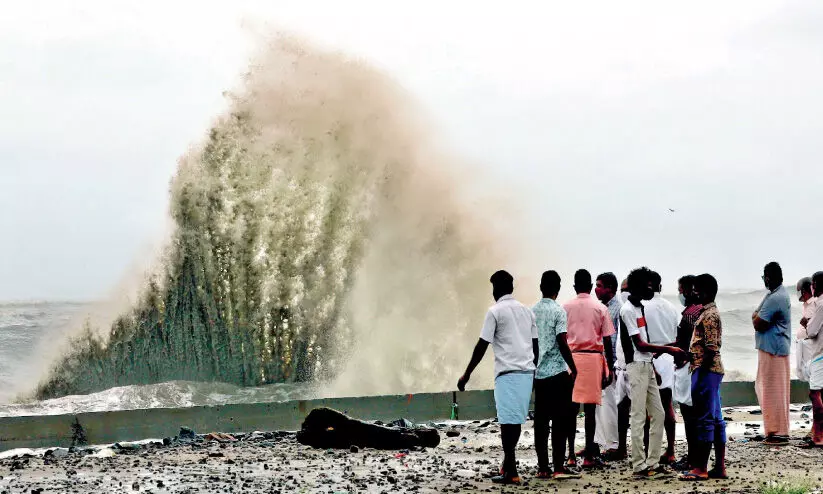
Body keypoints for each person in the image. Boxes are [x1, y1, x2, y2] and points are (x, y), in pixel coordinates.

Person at [457, 270, 538, 485]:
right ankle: (508, 464)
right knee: (517, 421)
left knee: (506, 422)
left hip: (507, 374)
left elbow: (482, 345)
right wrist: (533, 370)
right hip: (526, 373)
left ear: (496, 289)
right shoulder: (527, 312)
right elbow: (535, 345)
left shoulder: (495, 312)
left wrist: (466, 374)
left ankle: (510, 471)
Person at [619, 267, 687, 478]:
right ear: (639, 287)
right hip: (637, 367)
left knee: (657, 413)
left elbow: (645, 343)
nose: (652, 289)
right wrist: (669, 349)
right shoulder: (628, 311)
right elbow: (639, 344)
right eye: (648, 285)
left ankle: (653, 463)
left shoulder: (640, 308)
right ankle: (639, 466)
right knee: (639, 416)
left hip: (647, 365)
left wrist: (655, 365)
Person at [562, 269, 615, 469]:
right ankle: (588, 456)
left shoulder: (565, 307)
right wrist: (608, 368)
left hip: (572, 359)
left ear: (575, 286)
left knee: (571, 410)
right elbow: (608, 340)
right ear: (591, 286)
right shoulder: (600, 308)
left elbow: (561, 338)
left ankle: (570, 455)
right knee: (591, 410)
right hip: (593, 359)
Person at [532, 271, 582, 480]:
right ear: (558, 288)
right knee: (560, 421)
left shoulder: (531, 311)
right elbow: (562, 340)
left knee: (541, 422)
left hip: (539, 374)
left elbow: (531, 344)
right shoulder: (558, 311)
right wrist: (574, 367)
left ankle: (543, 467)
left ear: (541, 286)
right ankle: (559, 468)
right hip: (558, 372)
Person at [679, 274, 727, 481]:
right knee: (716, 420)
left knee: (705, 419)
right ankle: (719, 467)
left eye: (696, 290)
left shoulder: (708, 315)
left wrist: (700, 373)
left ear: (705, 291)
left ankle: (701, 468)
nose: (694, 294)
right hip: (710, 370)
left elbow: (710, 348)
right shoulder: (710, 313)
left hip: (706, 370)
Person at [751, 262, 792, 446]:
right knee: (769, 389)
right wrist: (756, 315)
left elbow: (759, 322)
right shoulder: (776, 294)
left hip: (773, 349)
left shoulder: (776, 297)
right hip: (773, 347)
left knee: (771, 391)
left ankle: (777, 432)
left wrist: (755, 315)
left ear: (768, 277)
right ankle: (775, 430)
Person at [642, 271, 680, 464]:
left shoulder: (643, 307)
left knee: (649, 410)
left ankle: (651, 452)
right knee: (667, 407)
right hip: (668, 360)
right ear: (660, 286)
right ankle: (671, 450)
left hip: (651, 357)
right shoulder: (672, 308)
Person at [672, 275, 702, 472]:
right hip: (699, 368)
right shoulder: (703, 311)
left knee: (688, 414)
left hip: (687, 367)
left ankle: (692, 458)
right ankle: (696, 456)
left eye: (681, 290)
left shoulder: (690, 314)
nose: (680, 294)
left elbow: (684, 344)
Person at [594, 272, 622, 459]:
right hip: (600, 361)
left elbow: (617, 340)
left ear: (610, 288)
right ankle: (598, 443)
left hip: (610, 363)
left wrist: (612, 366)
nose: (596, 289)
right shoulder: (603, 308)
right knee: (598, 404)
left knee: (610, 404)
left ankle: (613, 444)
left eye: (599, 285)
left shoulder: (617, 308)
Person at [802, 272, 823, 447]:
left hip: (820, 354)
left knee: (814, 393)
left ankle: (818, 436)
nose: (812, 287)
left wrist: (806, 324)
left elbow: (812, 331)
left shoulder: (821, 304)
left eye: (814, 284)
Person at [796, 277, 816, 382]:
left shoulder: (814, 304)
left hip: (811, 346)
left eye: (799, 291)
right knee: (808, 376)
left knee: (814, 378)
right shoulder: (806, 304)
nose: (798, 294)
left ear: (803, 291)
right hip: (804, 345)